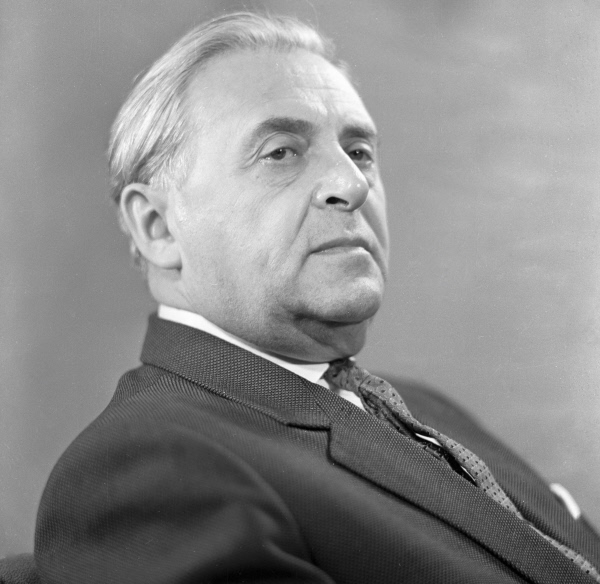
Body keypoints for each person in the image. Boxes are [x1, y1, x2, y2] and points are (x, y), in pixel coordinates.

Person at [33, 11, 600, 584]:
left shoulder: (426, 409)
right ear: (157, 226)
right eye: (281, 152)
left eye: (360, 152)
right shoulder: (153, 469)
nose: (352, 185)